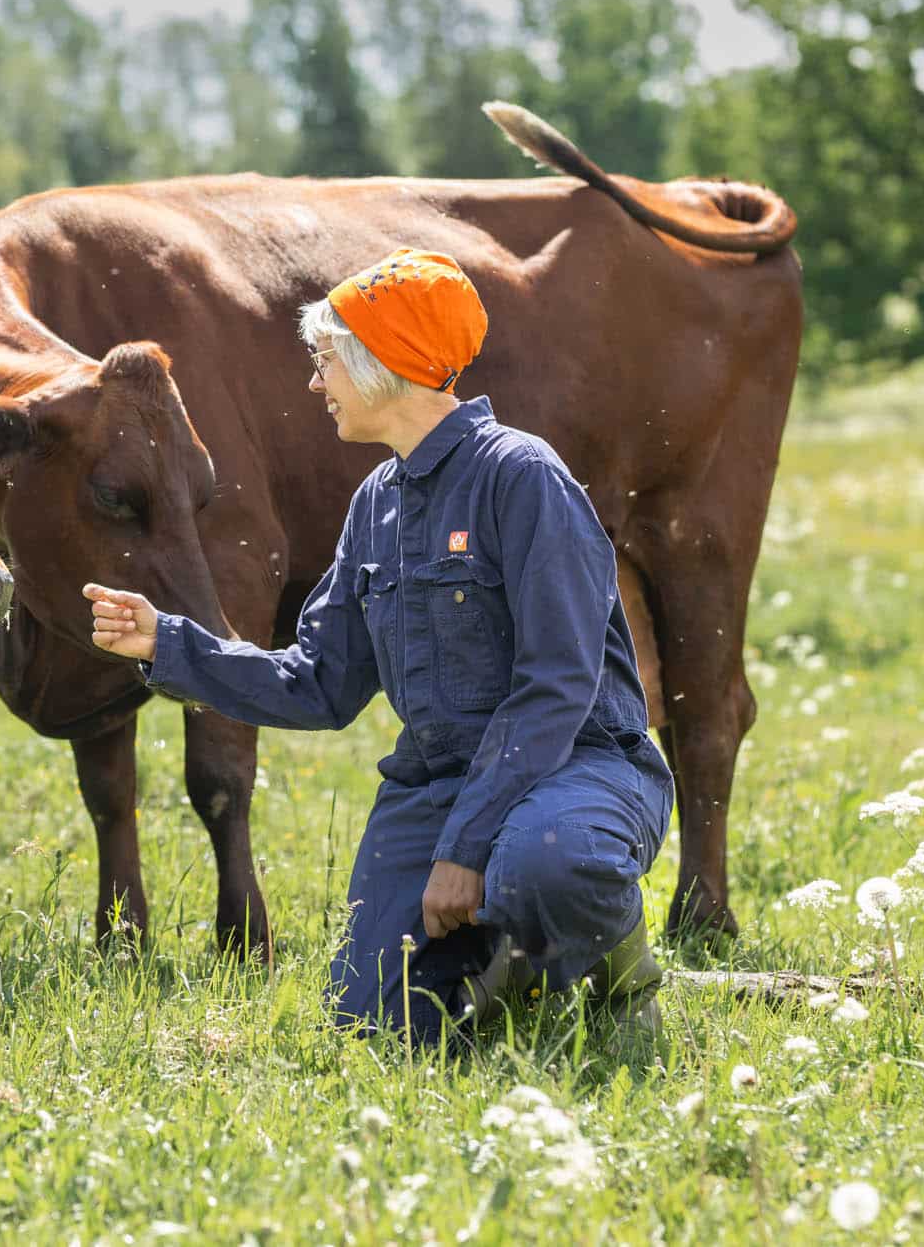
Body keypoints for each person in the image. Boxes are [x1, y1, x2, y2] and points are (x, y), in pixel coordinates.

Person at [83, 247, 673, 1046]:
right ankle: (517, 961)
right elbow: (317, 682)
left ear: (384, 363)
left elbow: (557, 689)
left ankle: (618, 979)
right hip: (436, 786)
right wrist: (170, 642)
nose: (315, 383)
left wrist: (465, 848)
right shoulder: (375, 506)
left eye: (325, 361)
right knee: (375, 1027)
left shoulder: (522, 477)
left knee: (549, 860)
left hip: (578, 768)